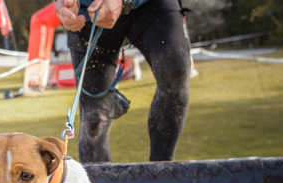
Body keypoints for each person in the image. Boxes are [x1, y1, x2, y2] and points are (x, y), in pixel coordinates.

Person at [55, 0, 191, 163]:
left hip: (152, 6)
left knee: (175, 68)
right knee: (94, 116)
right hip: (89, 12)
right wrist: (61, 3)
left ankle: (162, 168)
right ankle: (98, 178)